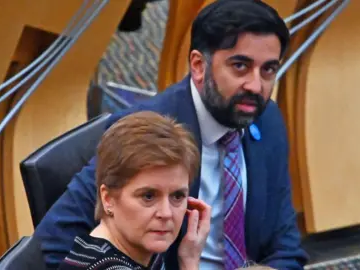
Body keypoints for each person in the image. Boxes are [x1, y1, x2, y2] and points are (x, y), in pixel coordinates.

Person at [35, 0, 309, 269]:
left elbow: (286, 248)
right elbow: (51, 244)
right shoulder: (147, 132)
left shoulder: (268, 120)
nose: (255, 85)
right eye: (240, 66)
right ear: (199, 66)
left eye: (268, 70)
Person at [56, 111, 210, 270]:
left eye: (177, 196)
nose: (166, 213)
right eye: (148, 196)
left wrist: (189, 257)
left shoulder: (136, 249)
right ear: (108, 199)